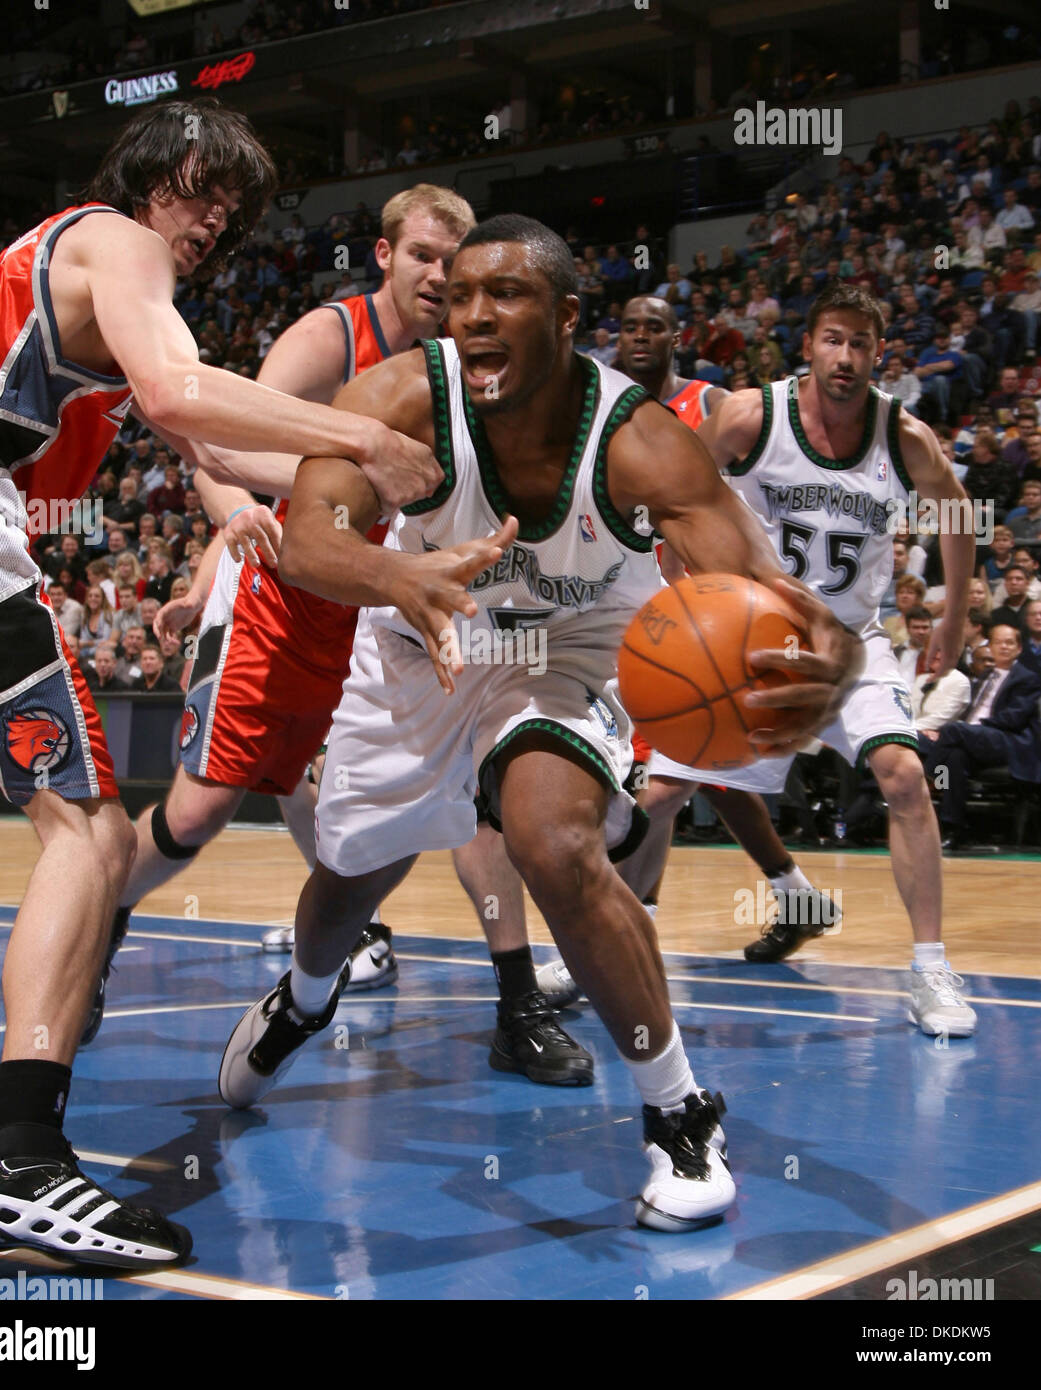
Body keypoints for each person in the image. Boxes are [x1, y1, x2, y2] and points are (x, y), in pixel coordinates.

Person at [216, 216, 859, 1232]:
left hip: (570, 646)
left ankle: (679, 1111)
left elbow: (757, 588)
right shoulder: (398, 396)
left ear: (564, 318)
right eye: (460, 294)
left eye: (504, 296)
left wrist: (815, 662)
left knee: (551, 837)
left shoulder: (641, 438)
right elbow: (305, 539)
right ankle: (304, 995)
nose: (473, 314)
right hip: (420, 634)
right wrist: (396, 574)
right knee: (348, 874)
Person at [0, 97, 440, 1271]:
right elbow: (180, 393)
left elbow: (220, 451)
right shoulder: (113, 241)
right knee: (90, 832)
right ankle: (15, 1154)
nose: (216, 220)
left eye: (236, 209)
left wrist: (384, 509)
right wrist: (366, 438)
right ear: (152, 175)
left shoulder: (55, 274)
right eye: (205, 191)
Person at [116, 185, 592, 1085]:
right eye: (422, 257)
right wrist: (225, 530)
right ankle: (106, 914)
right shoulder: (330, 339)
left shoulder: (474, 362)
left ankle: (512, 997)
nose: (439, 279)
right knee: (205, 809)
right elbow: (209, 436)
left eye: (455, 269)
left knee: (472, 790)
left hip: (399, 601)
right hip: (293, 588)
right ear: (384, 256)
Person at [694, 281, 979, 1037]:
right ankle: (586, 952)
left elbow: (956, 519)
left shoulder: (904, 436)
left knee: (904, 775)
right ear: (807, 343)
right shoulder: (750, 415)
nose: (844, 356)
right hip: (754, 638)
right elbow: (678, 490)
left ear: (878, 353)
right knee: (662, 791)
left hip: (851, 644)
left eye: (859, 343)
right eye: (831, 339)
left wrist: (951, 614)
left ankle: (928, 968)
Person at [610, 295, 839, 961]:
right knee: (714, 762)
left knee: (669, 775)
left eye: (654, 325)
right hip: (623, 596)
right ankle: (797, 896)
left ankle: (630, 928)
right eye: (630, 326)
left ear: (676, 337)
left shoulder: (711, 408)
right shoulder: (605, 406)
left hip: (700, 608)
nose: (641, 336)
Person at [919, 625, 1041, 849]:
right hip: (975, 738)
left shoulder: (1028, 678)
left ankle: (931, 777)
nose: (1003, 647)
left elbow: (1013, 719)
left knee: (952, 731)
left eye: (1009, 642)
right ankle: (954, 827)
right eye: (998, 642)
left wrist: (970, 728)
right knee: (953, 756)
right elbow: (969, 712)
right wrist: (966, 730)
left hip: (1007, 740)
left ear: (1019, 648)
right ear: (990, 646)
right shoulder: (985, 675)